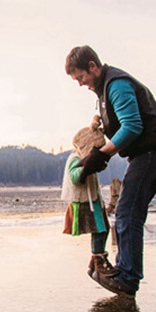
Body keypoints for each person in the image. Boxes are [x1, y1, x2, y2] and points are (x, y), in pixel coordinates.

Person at [65, 45, 156, 297]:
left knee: (127, 212)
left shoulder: (117, 84)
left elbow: (133, 126)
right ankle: (127, 273)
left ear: (93, 67)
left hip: (155, 153)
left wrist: (102, 153)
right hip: (146, 155)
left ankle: (127, 277)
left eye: (81, 77)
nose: (81, 84)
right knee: (128, 211)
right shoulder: (105, 89)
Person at [61, 116, 112, 278]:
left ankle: (95, 261)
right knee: (99, 229)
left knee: (103, 228)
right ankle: (98, 260)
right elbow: (75, 177)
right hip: (83, 202)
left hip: (93, 200)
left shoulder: (80, 158)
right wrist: (87, 166)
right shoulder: (75, 159)